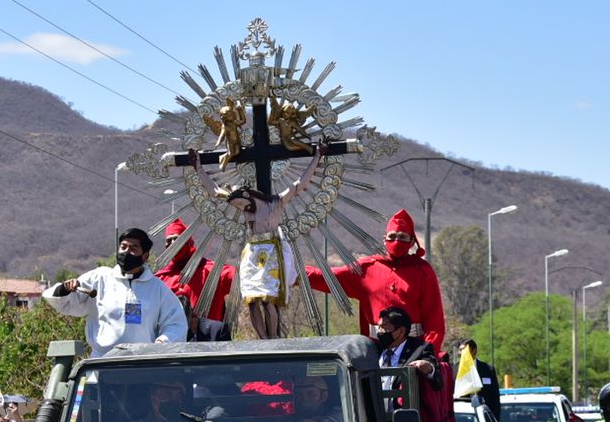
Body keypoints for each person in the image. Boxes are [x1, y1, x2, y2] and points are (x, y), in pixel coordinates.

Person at [192, 144, 324, 340]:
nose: (242, 209)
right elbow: (214, 191)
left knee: (268, 299)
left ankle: (273, 337)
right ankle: (262, 339)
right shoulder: (245, 206)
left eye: (243, 204)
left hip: (271, 251)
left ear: (248, 196)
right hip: (252, 253)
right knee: (252, 299)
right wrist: (198, 168)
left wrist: (317, 157)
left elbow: (300, 184)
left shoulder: (275, 202)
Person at [304, 209, 447, 351]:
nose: (396, 241)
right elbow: (328, 278)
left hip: (413, 349)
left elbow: (434, 318)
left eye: (402, 237)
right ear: (384, 240)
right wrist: (296, 272)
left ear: (411, 243)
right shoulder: (366, 268)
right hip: (375, 348)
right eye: (392, 236)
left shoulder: (423, 271)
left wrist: (428, 353)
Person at [43, 228, 188, 355]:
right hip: (103, 364)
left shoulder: (158, 289)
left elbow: (176, 323)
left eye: (133, 249)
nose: (126, 252)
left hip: (141, 366)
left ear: (145, 256)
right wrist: (65, 289)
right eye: (123, 247)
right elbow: (68, 304)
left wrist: (161, 343)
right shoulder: (100, 278)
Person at [156, 218, 235, 340]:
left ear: (188, 242)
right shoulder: (161, 278)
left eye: (176, 239)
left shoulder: (212, 272)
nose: (172, 244)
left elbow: (241, 278)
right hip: (170, 342)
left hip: (208, 340)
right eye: (168, 240)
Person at [460, 339, 501, 420]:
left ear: (474, 351)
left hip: (485, 418)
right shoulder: (453, 370)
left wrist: (495, 420)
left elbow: (495, 398)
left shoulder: (488, 370)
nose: (461, 353)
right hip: (463, 419)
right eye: (460, 350)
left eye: (464, 350)